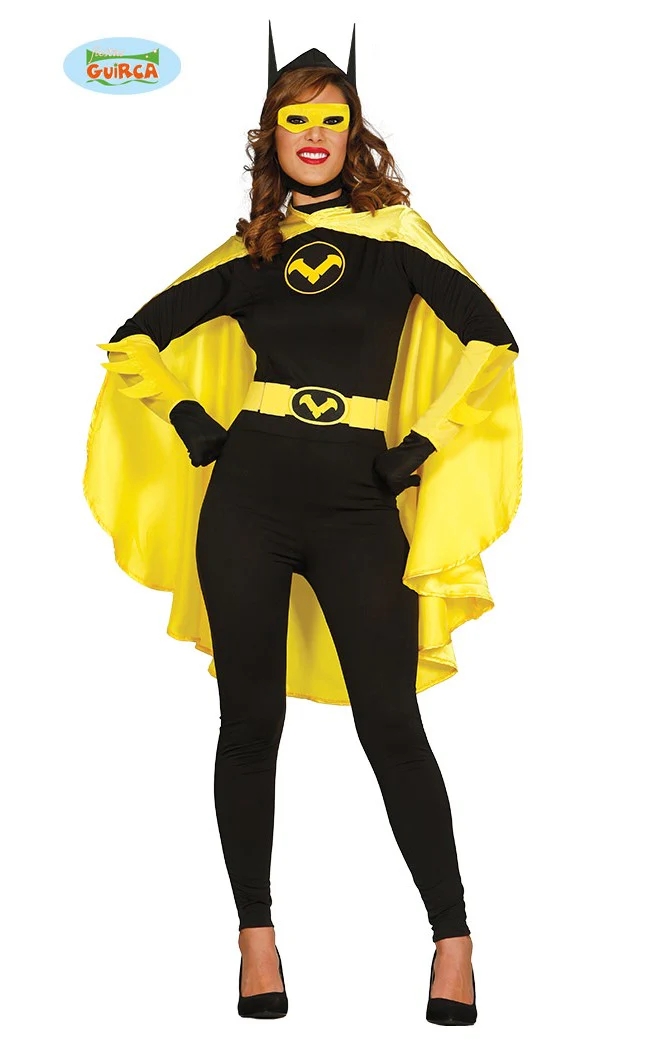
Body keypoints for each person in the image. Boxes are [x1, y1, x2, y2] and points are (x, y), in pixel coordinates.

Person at [83, 22, 522, 1025]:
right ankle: (255, 939)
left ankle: (452, 941)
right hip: (246, 501)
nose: (314, 134)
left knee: (391, 723)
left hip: (358, 506)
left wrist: (420, 447)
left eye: (331, 118)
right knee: (249, 724)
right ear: (270, 135)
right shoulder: (253, 253)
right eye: (295, 118)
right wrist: (191, 418)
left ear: (353, 131)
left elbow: (492, 342)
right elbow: (132, 342)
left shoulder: (400, 242)